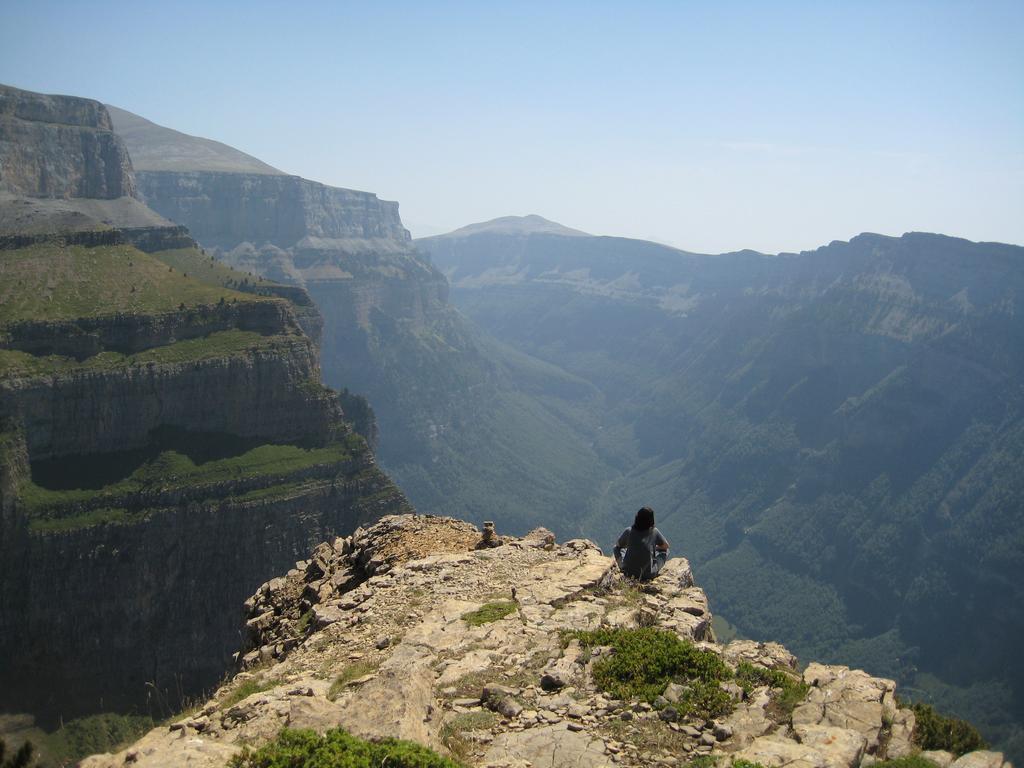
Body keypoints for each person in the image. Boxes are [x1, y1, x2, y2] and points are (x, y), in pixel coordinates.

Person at [613, 506, 669, 581]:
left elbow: (618, 544)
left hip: (627, 572)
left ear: (637, 517)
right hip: (649, 574)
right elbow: (666, 546)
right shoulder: (654, 531)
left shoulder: (629, 531)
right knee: (665, 551)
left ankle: (623, 565)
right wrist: (654, 549)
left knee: (616, 548)